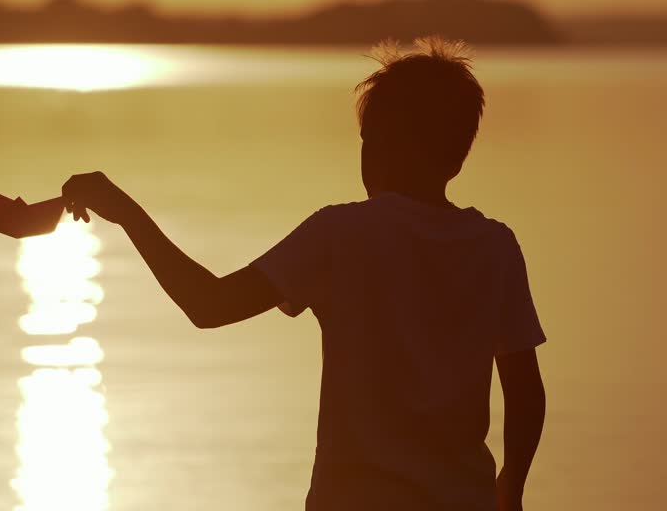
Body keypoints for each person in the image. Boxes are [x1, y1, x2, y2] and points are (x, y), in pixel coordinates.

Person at [61, 37, 546, 511]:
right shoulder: (494, 246)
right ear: (457, 155)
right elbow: (525, 393)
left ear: (380, 143)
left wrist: (126, 212)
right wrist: (512, 485)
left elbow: (208, 305)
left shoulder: (340, 233)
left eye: (365, 140)